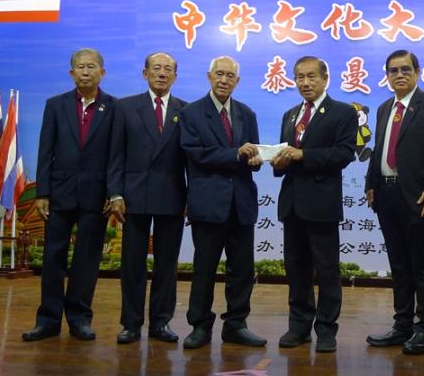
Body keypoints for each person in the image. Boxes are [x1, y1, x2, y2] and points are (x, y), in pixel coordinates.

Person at [22, 48, 115, 342]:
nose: (86, 71)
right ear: (71, 73)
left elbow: (116, 156)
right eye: (80, 67)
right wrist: (42, 193)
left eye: (91, 66)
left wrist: (113, 193)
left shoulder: (114, 108)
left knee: (87, 259)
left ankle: (79, 319)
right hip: (59, 194)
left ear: (102, 72)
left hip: (96, 196)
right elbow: (45, 150)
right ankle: (48, 320)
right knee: (53, 257)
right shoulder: (56, 105)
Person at [364, 49, 424, 355]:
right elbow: (378, 149)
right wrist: (371, 183)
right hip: (386, 194)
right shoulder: (384, 108)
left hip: (418, 195)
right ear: (387, 76)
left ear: (418, 72)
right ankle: (402, 325)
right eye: (393, 70)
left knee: (420, 264)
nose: (399, 75)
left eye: (405, 69)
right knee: (398, 264)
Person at [270, 56, 357, 353]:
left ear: (325, 78)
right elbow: (284, 156)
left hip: (321, 204)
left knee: (327, 270)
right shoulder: (290, 115)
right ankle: (299, 326)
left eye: (311, 77)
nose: (305, 83)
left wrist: (303, 155)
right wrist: (278, 161)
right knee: (296, 269)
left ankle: (327, 329)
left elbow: (344, 154)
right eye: (300, 77)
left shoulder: (343, 112)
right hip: (292, 204)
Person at [180, 56, 266, 349]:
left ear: (237, 81)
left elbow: (253, 154)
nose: (224, 80)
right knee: (204, 269)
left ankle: (236, 325)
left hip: (241, 203)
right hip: (208, 204)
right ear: (209, 76)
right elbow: (195, 153)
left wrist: (256, 159)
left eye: (230, 76)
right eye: (219, 74)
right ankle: (200, 325)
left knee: (242, 270)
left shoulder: (246, 113)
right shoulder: (191, 112)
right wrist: (236, 154)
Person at [106, 52, 187, 344]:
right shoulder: (125, 107)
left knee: (167, 265)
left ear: (175, 76)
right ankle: (130, 323)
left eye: (167, 70)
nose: (162, 74)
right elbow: (115, 154)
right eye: (156, 68)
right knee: (132, 264)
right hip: (133, 196)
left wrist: (191, 197)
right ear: (145, 73)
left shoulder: (185, 111)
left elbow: (190, 160)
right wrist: (115, 193)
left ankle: (161, 323)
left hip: (172, 195)